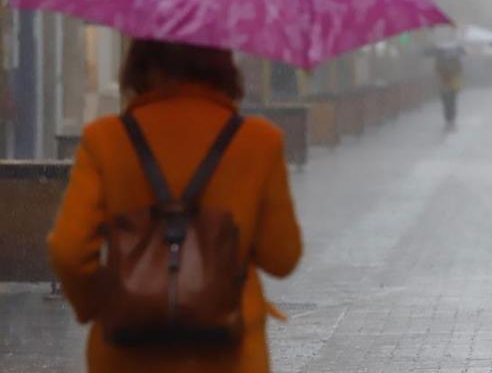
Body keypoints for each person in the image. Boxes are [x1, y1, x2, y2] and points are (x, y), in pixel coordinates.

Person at [47, 39, 303, 373]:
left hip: (126, 355)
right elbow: (282, 257)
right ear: (222, 64)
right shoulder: (259, 141)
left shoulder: (105, 140)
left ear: (139, 63)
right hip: (228, 354)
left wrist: (101, 306)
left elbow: (68, 249)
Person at [435, 51, 463, 127]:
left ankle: (451, 120)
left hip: (452, 86)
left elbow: (459, 70)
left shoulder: (455, 61)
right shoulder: (440, 61)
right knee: (446, 104)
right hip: (444, 86)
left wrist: (451, 69)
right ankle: (448, 120)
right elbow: (437, 70)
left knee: (451, 103)